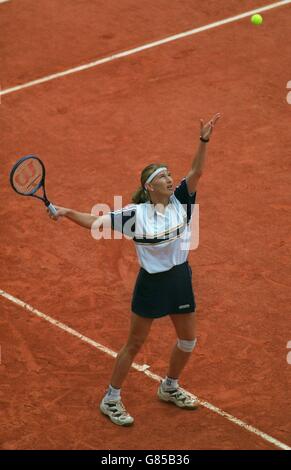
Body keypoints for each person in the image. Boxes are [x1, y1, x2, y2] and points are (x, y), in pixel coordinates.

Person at [48, 113, 221, 426]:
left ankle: (169, 386)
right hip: (152, 284)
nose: (171, 179)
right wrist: (66, 212)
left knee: (188, 341)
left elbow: (197, 170)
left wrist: (204, 139)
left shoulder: (182, 199)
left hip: (181, 279)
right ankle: (111, 398)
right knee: (134, 344)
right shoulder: (135, 215)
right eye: (164, 177)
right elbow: (95, 222)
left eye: (170, 175)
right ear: (150, 186)